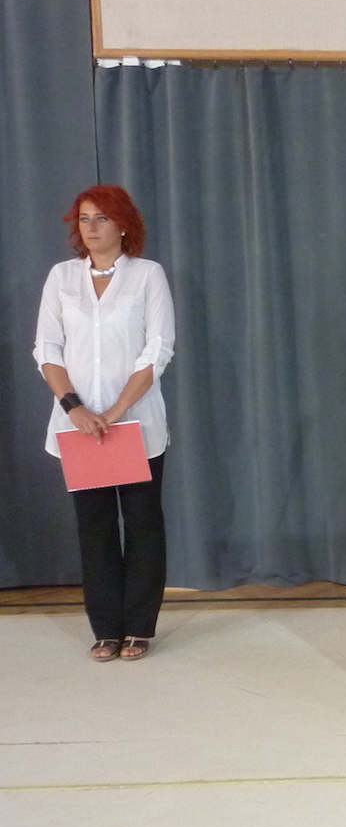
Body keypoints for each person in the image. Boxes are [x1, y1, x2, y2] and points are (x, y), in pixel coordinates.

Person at [34, 186, 176, 661]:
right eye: (84, 218)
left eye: (101, 218)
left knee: (142, 524)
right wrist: (75, 407)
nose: (91, 227)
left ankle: (138, 627)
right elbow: (47, 348)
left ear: (123, 225)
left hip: (134, 424)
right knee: (94, 527)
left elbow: (158, 348)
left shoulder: (147, 275)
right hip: (79, 427)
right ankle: (106, 630)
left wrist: (115, 412)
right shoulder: (61, 277)